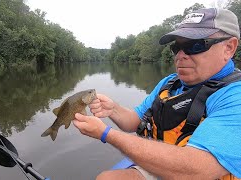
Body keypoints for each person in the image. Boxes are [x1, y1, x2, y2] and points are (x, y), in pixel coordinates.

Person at [73, 8, 241, 179]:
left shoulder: (235, 97)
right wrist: (113, 109)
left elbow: (196, 169)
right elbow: (135, 121)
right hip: (167, 167)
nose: (180, 56)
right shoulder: (169, 84)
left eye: (195, 45)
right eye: (177, 47)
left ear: (229, 48)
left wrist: (105, 133)